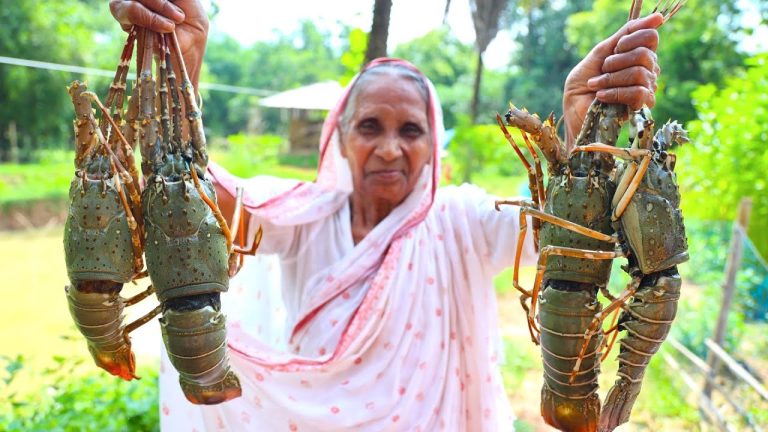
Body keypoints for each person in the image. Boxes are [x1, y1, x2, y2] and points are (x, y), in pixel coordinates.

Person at [110, 1, 665, 430]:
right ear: (340, 138)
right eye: (370, 126)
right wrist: (184, 56)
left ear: (432, 145)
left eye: (411, 130)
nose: (391, 149)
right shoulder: (301, 215)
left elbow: (561, 230)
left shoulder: (460, 220)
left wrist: (579, 124)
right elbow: (191, 203)